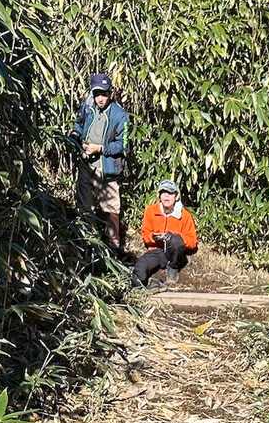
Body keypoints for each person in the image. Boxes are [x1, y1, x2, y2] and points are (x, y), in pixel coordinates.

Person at [69, 73, 129, 252]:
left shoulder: (120, 115)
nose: (100, 98)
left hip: (107, 168)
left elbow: (124, 145)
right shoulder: (88, 107)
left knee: (111, 207)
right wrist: (75, 136)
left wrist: (101, 148)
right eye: (97, 94)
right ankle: (86, 241)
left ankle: (114, 245)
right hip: (86, 164)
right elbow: (78, 124)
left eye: (104, 94)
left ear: (110, 93)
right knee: (84, 204)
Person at [133, 178, 198, 287]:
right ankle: (146, 286)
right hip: (157, 251)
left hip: (176, 254)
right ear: (159, 196)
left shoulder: (185, 215)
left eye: (170, 193)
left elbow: (192, 242)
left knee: (175, 240)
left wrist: (174, 237)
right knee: (140, 268)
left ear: (176, 196)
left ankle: (173, 268)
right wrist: (154, 237)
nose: (166, 196)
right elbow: (145, 234)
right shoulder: (151, 211)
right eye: (163, 193)